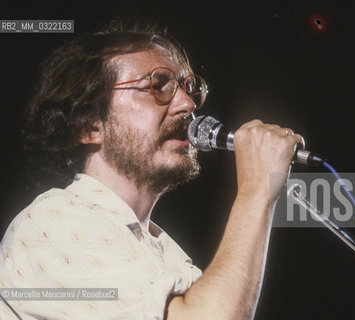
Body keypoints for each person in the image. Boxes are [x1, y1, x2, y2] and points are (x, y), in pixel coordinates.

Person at [0, 21, 303, 320]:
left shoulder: (165, 251)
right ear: (89, 124)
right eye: (156, 86)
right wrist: (256, 190)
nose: (187, 105)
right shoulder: (52, 225)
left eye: (188, 89)